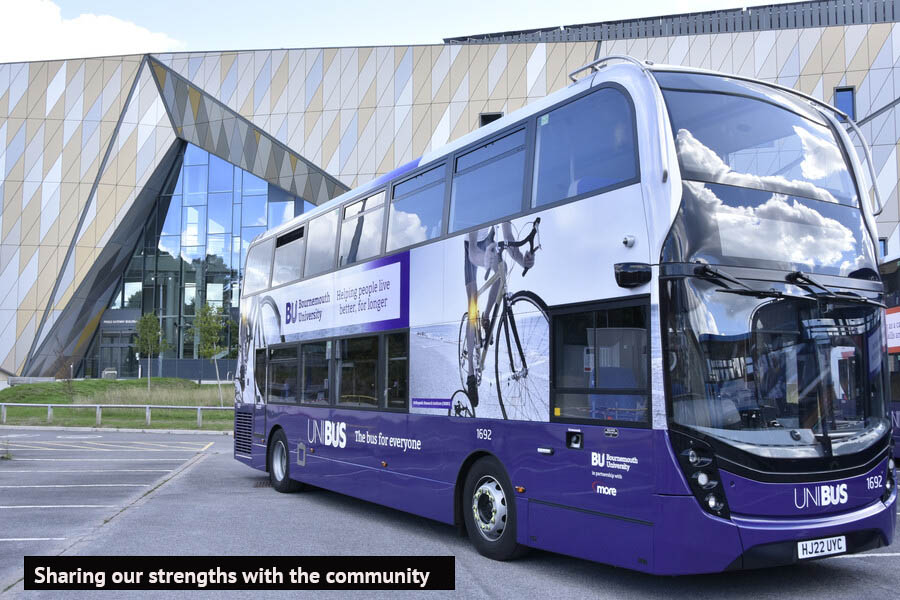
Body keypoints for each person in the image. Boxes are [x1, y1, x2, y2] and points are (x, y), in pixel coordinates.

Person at [463, 221, 534, 405]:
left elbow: (509, 242)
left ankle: (486, 317)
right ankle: (471, 372)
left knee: (500, 274)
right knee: (472, 304)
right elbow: (472, 250)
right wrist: (484, 260)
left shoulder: (504, 205)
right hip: (473, 249)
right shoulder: (475, 210)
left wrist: (523, 261)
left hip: (489, 243)